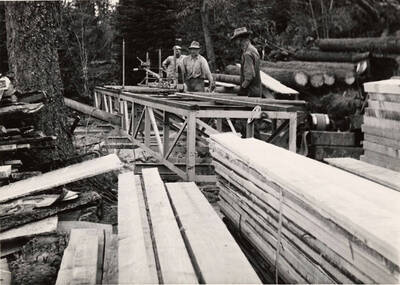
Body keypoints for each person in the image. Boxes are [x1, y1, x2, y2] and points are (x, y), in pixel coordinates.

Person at [230, 27, 262, 97]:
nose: (235, 42)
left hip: (251, 93)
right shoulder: (254, 50)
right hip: (257, 90)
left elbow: (249, 76)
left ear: (240, 39)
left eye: (236, 40)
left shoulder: (247, 53)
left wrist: (242, 88)